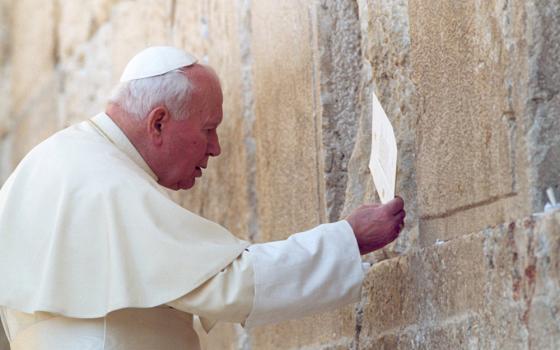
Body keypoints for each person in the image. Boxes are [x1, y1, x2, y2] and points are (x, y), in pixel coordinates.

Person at [0, 47, 406, 349]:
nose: (215, 150)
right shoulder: (104, 181)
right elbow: (227, 284)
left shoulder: (54, 162)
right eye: (208, 130)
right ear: (158, 121)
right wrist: (349, 239)